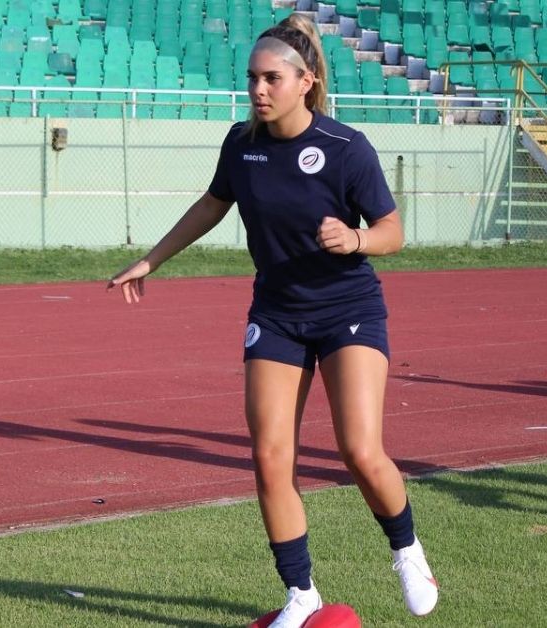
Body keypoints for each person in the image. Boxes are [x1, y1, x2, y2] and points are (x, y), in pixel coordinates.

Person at [107, 14, 438, 625]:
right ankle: (300, 594)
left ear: (305, 81)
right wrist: (150, 260)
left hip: (348, 311)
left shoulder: (346, 149)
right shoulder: (242, 142)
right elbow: (212, 204)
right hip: (277, 315)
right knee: (268, 457)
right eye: (252, 78)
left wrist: (357, 239)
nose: (259, 90)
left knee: (359, 450)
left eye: (271, 79)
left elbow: (394, 231)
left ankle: (407, 551)